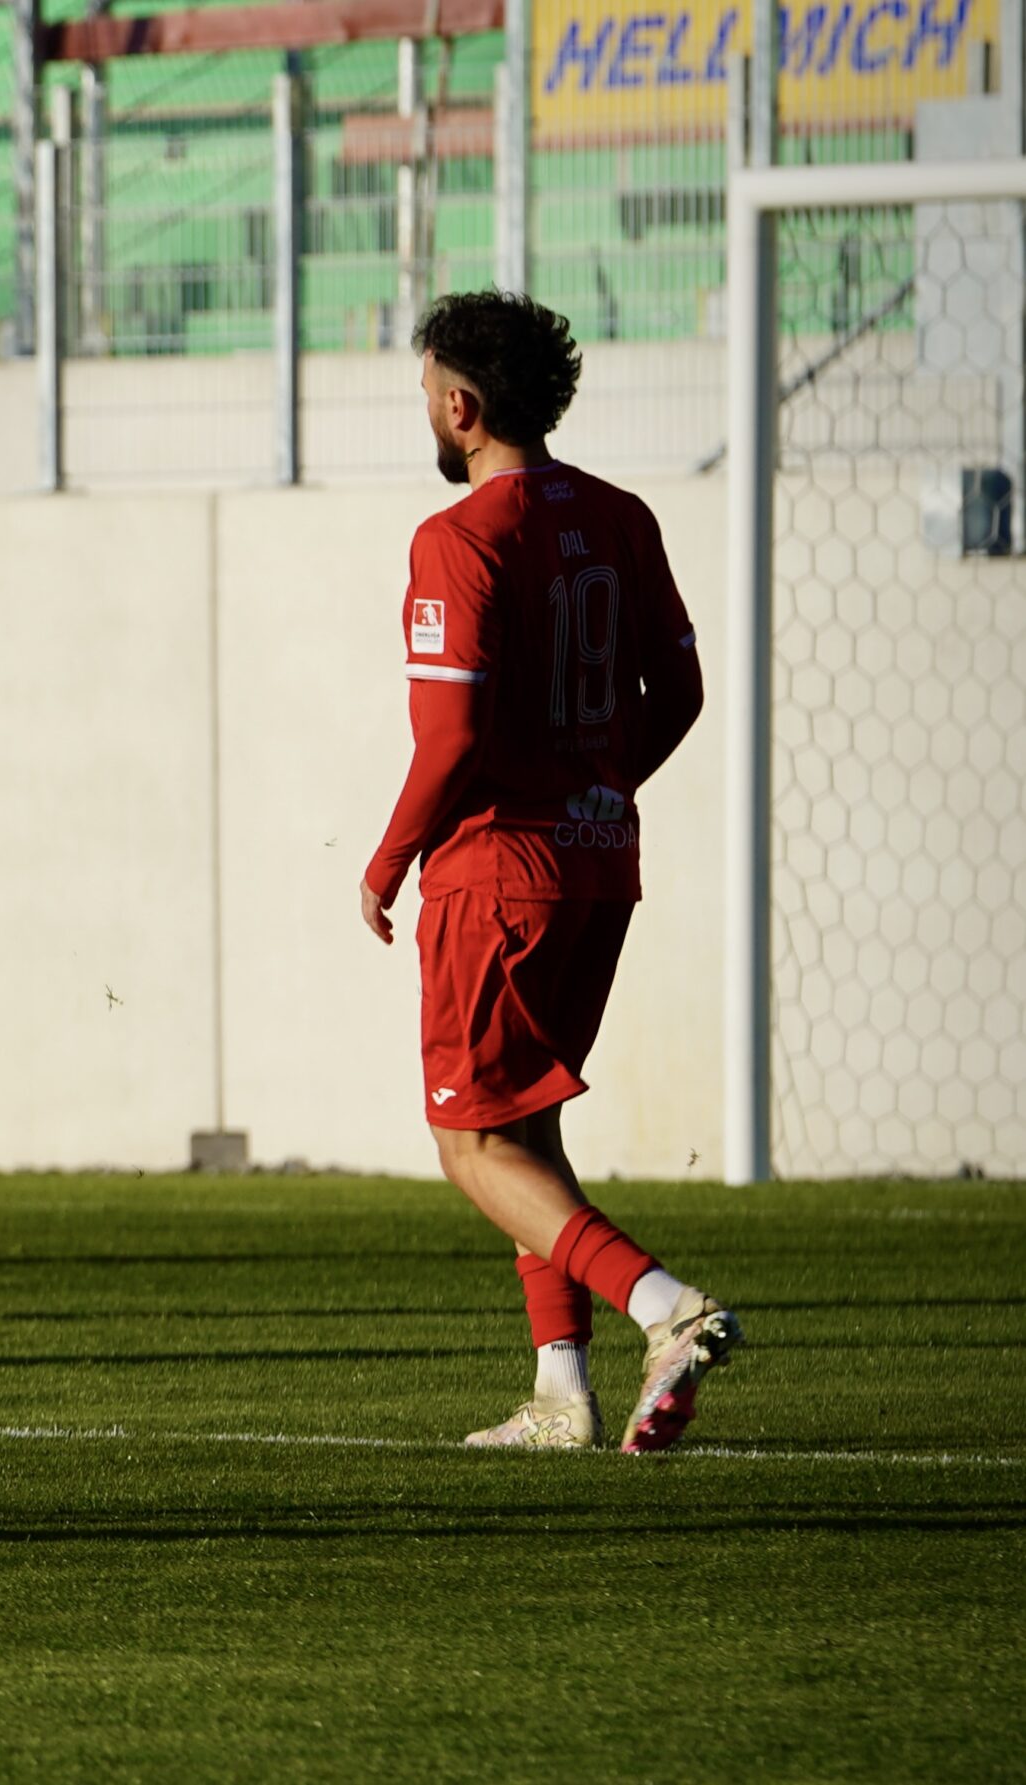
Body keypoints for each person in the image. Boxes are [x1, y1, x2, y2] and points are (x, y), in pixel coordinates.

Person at [361, 291, 738, 1454]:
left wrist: (386, 862)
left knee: (470, 1144)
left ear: (461, 408)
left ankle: (664, 1308)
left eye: (427, 391)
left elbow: (451, 739)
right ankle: (560, 1392)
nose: (426, 409)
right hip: (596, 865)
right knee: (525, 1127)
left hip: (495, 877)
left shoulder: (458, 539)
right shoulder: (622, 517)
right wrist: (597, 784)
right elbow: (678, 693)